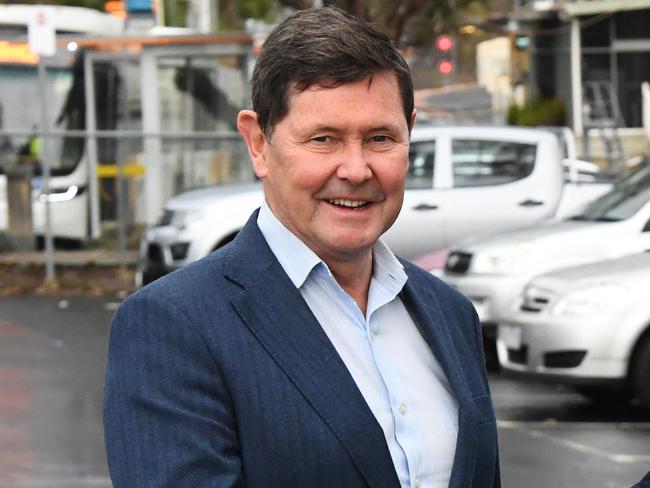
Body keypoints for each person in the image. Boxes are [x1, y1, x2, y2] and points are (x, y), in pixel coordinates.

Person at [103, 7, 500, 488]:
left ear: (409, 135)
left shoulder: (450, 314)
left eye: (380, 138)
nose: (356, 170)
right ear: (257, 143)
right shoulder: (173, 327)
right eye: (324, 139)